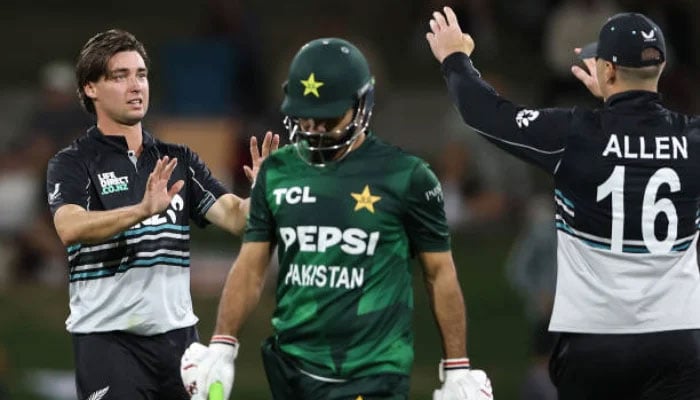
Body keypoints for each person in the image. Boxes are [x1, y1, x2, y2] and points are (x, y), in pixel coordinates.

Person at [179, 37, 493, 400]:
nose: (315, 127)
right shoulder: (278, 170)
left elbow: (440, 273)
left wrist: (457, 367)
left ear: (363, 105)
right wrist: (223, 343)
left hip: (372, 372)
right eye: (306, 117)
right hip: (291, 368)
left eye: (328, 117)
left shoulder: (407, 177)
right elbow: (251, 265)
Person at [427, 7, 700, 399]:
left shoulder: (575, 134)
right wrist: (616, 102)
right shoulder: (692, 140)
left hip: (596, 344)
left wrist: (455, 58)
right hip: (677, 341)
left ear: (607, 71)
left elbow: (485, 113)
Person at [45, 29, 279, 400]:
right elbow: (70, 227)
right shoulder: (73, 162)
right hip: (108, 343)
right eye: (120, 76)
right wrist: (140, 211)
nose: (136, 85)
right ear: (90, 88)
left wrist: (266, 193)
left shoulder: (178, 159)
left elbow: (237, 218)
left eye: (141, 74)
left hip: (179, 345)